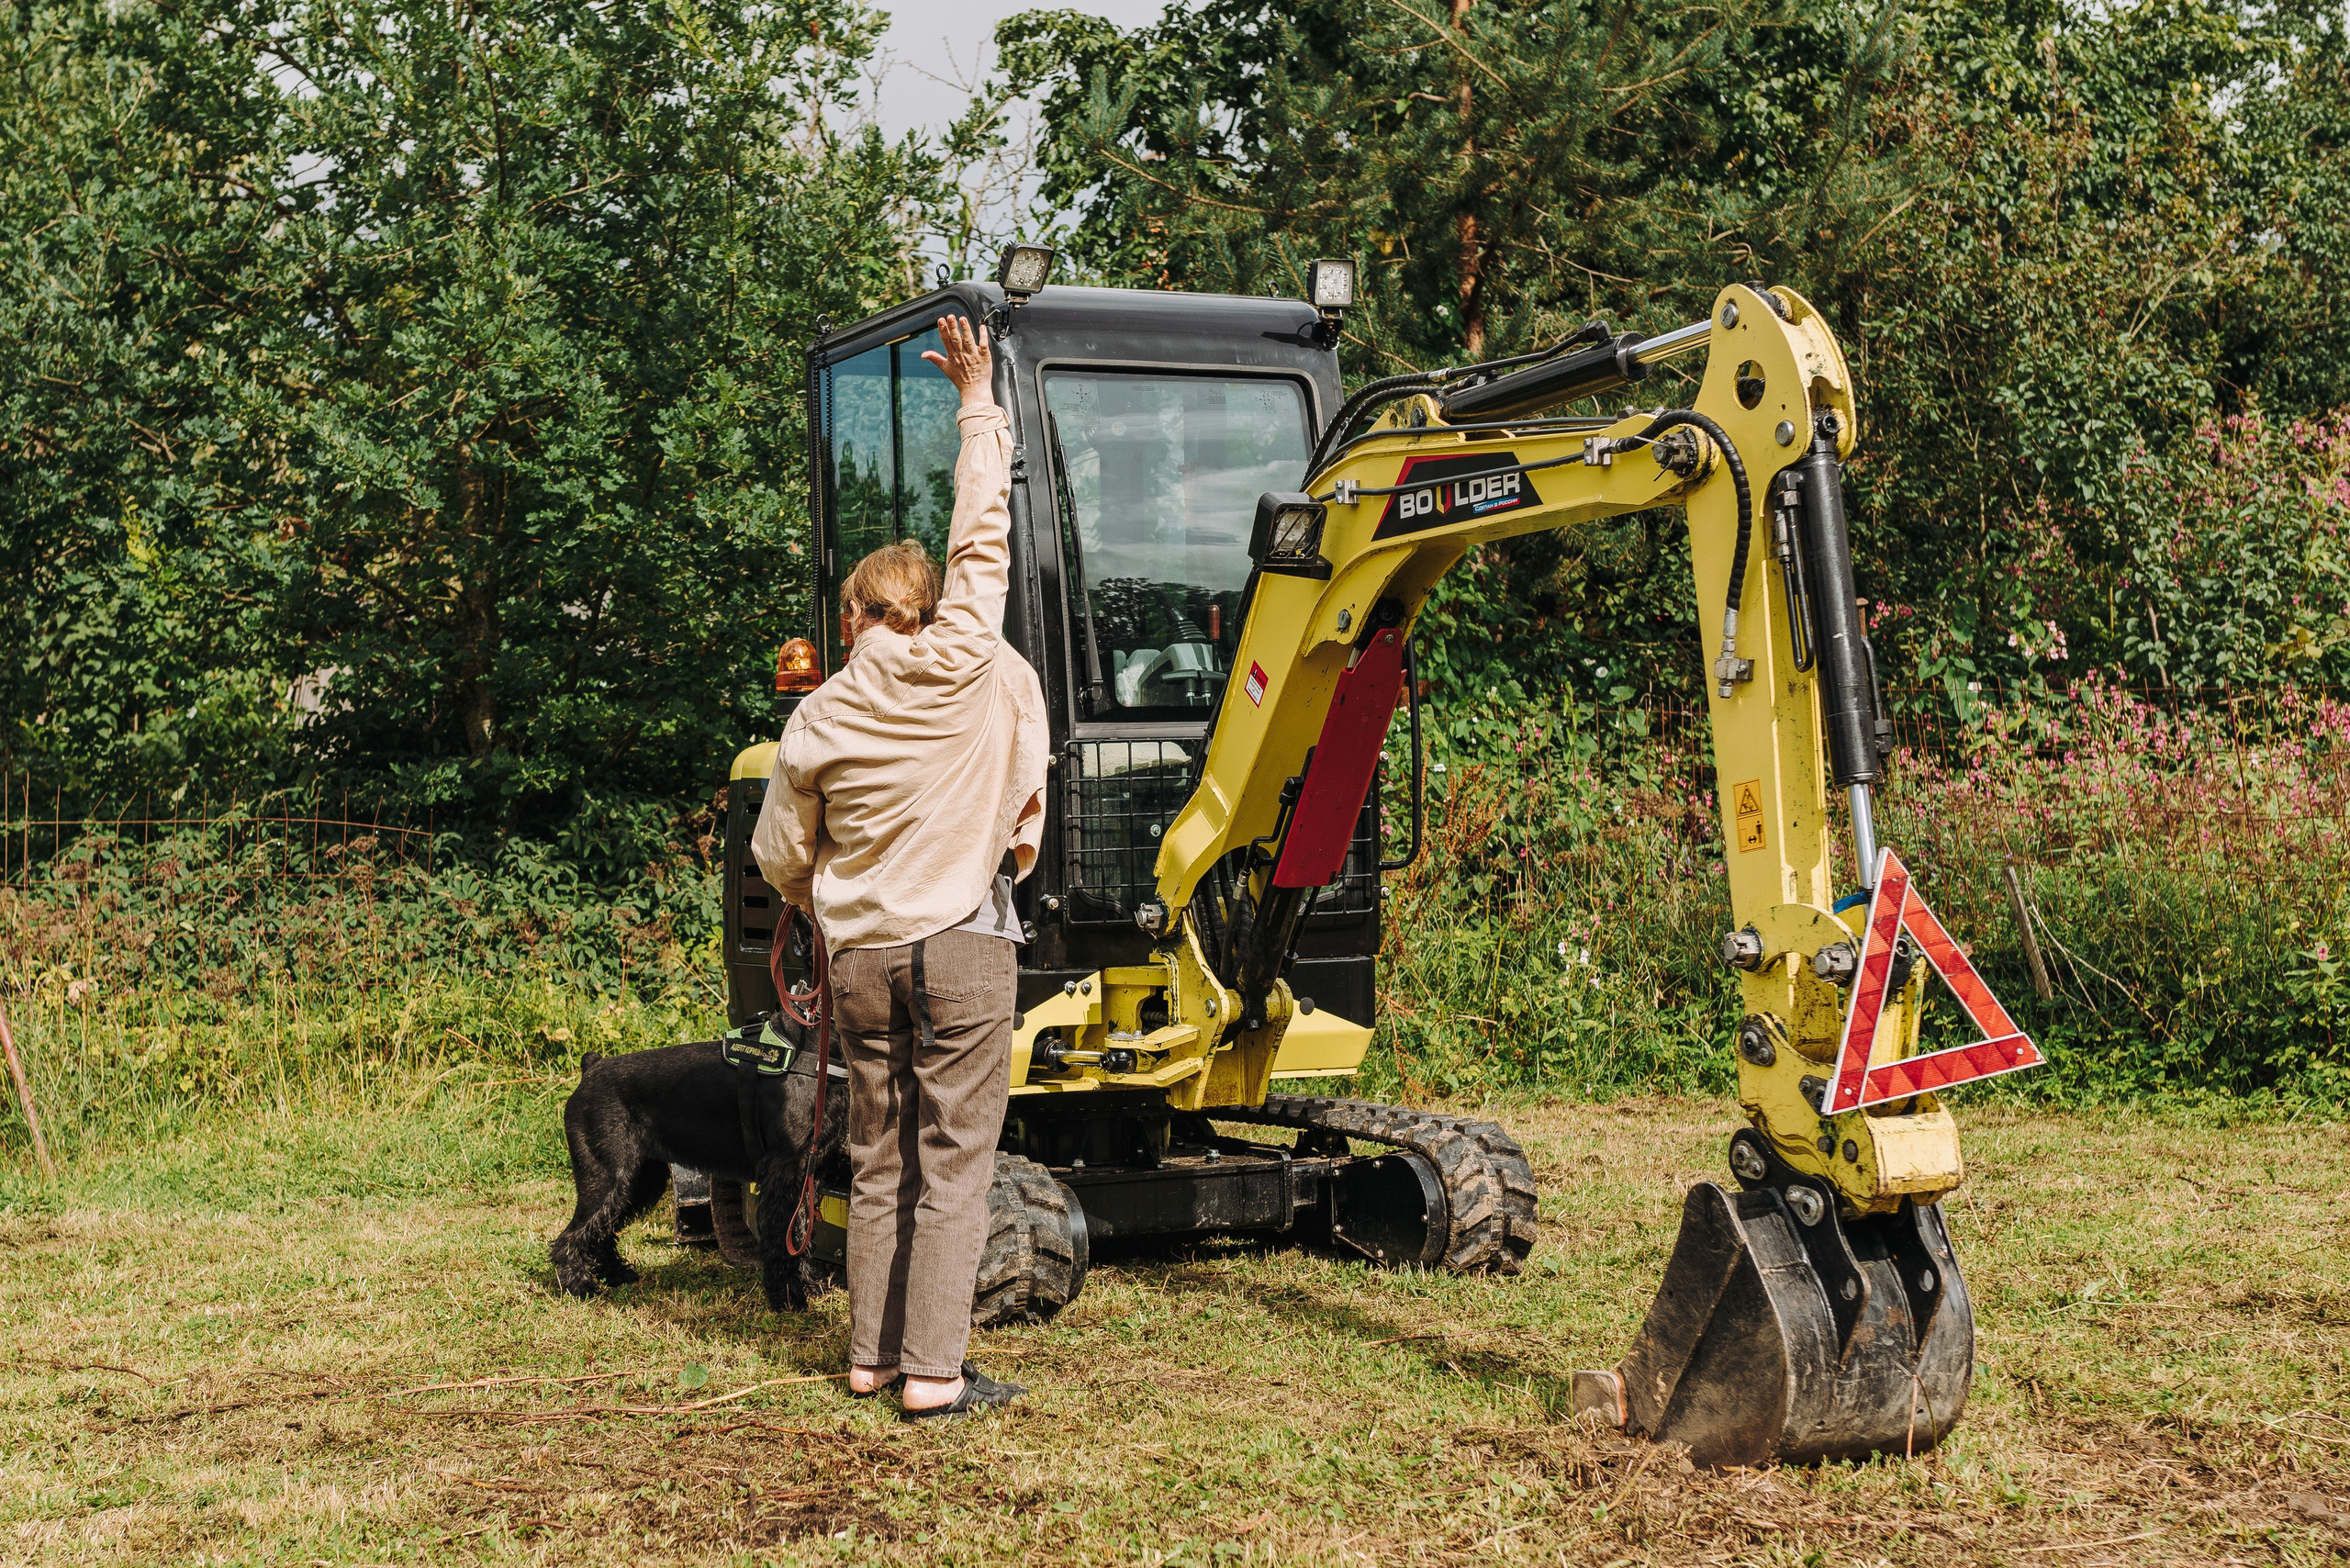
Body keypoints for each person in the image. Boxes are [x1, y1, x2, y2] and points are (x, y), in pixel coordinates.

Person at [751, 314, 1047, 1421]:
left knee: (875, 1161)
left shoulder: (816, 716)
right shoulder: (969, 662)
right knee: (954, 1161)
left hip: (863, 957)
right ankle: (933, 1375)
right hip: (963, 946)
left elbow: (780, 852)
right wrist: (976, 404)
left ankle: (869, 1359)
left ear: (847, 619)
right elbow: (985, 537)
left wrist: (814, 902)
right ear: (917, 614)